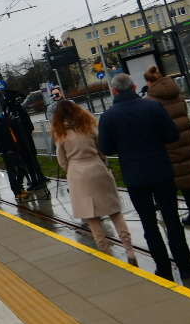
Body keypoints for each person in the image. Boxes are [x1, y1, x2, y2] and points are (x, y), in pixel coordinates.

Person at [98, 72, 190, 279]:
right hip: (161, 170)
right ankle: (184, 265)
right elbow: (172, 134)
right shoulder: (153, 107)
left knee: (148, 222)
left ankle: (163, 267)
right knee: (172, 218)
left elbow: (106, 147)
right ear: (134, 88)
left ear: (114, 91)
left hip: (135, 176)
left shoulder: (108, 116)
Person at [51, 99, 135, 260]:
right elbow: (102, 149)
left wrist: (72, 169)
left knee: (92, 216)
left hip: (77, 174)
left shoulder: (60, 134)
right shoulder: (88, 126)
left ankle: (106, 252)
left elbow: (62, 161)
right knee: (115, 211)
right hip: (97, 167)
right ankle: (129, 249)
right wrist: (100, 162)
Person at [143, 65, 190, 225]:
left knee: (183, 178)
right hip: (186, 140)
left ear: (149, 82)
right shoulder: (177, 96)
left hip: (169, 145)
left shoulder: (151, 101)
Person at [6, 99, 47, 191]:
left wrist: (23, 134)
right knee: (27, 163)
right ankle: (34, 180)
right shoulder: (12, 118)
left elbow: (30, 127)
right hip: (21, 145)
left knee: (33, 161)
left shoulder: (22, 115)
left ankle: (40, 179)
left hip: (27, 142)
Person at [0, 111, 28, 198]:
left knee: (22, 168)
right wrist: (4, 151)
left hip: (14, 150)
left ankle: (20, 187)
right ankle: (16, 192)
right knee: (12, 172)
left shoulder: (5, 123)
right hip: (7, 152)